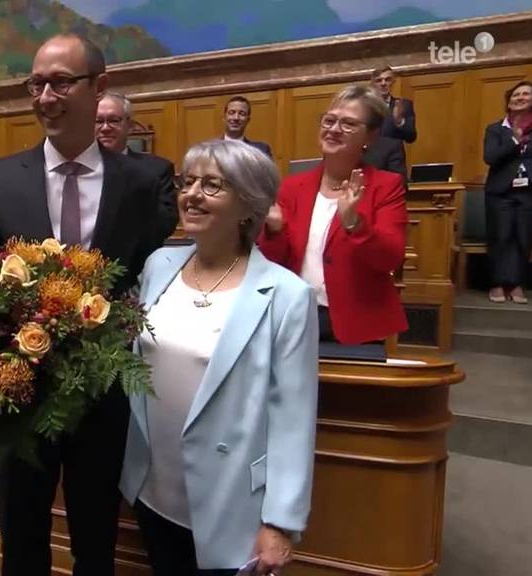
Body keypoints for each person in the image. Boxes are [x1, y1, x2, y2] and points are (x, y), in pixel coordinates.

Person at [0, 34, 176, 576]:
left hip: (104, 396)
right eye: (36, 84)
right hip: (20, 392)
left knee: (96, 539)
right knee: (21, 539)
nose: (44, 96)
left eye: (60, 82)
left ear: (98, 87)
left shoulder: (145, 182)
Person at [121, 139, 318, 576]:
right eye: (187, 182)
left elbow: (293, 417)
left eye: (212, 185)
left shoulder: (286, 295)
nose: (191, 194)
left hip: (230, 501)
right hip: (154, 487)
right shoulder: (160, 264)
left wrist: (280, 522)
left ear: (248, 203)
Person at [259, 83, 408, 345]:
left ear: (370, 137)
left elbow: (390, 258)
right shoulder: (292, 187)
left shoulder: (386, 186)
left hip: (357, 322)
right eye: (329, 121)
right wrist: (274, 230)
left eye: (348, 124)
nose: (334, 129)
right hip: (294, 318)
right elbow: (274, 262)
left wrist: (354, 224)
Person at [483, 81, 532, 304]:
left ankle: (516, 284)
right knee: (501, 236)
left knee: (524, 236)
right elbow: (490, 157)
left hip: (530, 189)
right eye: (516, 94)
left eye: (526, 94)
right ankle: (498, 283)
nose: (520, 97)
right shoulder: (496, 129)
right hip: (500, 191)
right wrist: (515, 140)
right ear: (509, 101)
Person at [95, 91, 177, 245]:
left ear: (130, 126)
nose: (105, 128)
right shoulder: (77, 169)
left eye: (114, 120)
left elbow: (166, 225)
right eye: (98, 121)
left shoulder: (157, 169)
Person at [364, 66, 415, 177]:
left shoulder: (404, 105)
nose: (383, 83)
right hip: (370, 161)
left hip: (394, 163)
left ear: (393, 81)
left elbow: (411, 137)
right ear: (372, 83)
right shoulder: (364, 107)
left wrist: (399, 121)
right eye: (379, 80)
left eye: (387, 79)